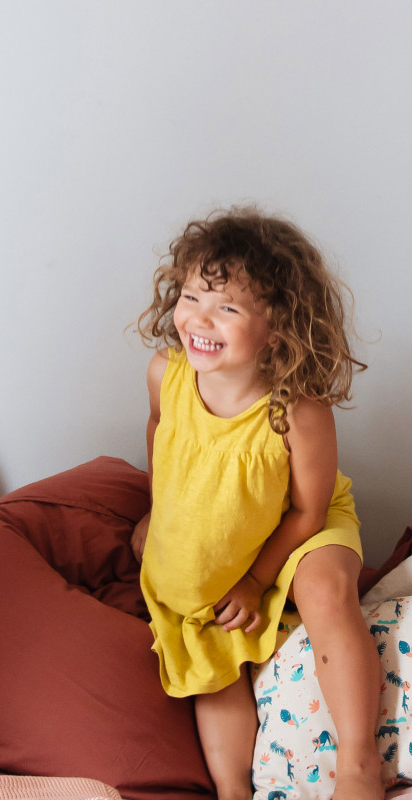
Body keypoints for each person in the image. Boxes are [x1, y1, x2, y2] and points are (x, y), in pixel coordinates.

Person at [131, 207, 381, 800]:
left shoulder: (298, 410)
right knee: (203, 634)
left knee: (324, 588)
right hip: (228, 525)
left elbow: (308, 512)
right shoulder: (165, 372)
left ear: (279, 326)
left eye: (228, 308)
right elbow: (160, 432)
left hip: (300, 526)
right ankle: (233, 789)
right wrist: (160, 507)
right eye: (191, 297)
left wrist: (255, 581)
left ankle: (358, 763)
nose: (199, 319)